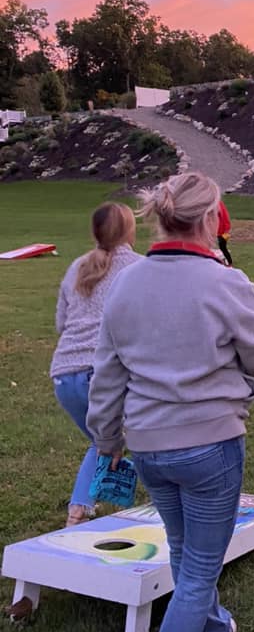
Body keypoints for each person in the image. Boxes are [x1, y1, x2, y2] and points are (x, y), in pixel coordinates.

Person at [87, 171, 254, 632]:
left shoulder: (124, 285)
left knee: (185, 556)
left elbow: (106, 379)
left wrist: (107, 440)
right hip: (211, 449)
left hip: (149, 449)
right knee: (198, 574)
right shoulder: (226, 283)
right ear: (210, 220)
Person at [50, 202, 140, 527]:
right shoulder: (138, 268)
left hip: (63, 375)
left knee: (102, 441)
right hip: (103, 373)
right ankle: (79, 511)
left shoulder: (77, 266)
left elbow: (62, 322)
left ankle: (82, 508)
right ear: (130, 230)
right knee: (122, 437)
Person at [216, 199, 233, 266]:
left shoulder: (218, 204)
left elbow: (224, 217)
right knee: (222, 246)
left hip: (223, 231)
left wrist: (226, 230)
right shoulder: (219, 204)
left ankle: (229, 262)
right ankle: (227, 261)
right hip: (221, 230)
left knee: (222, 246)